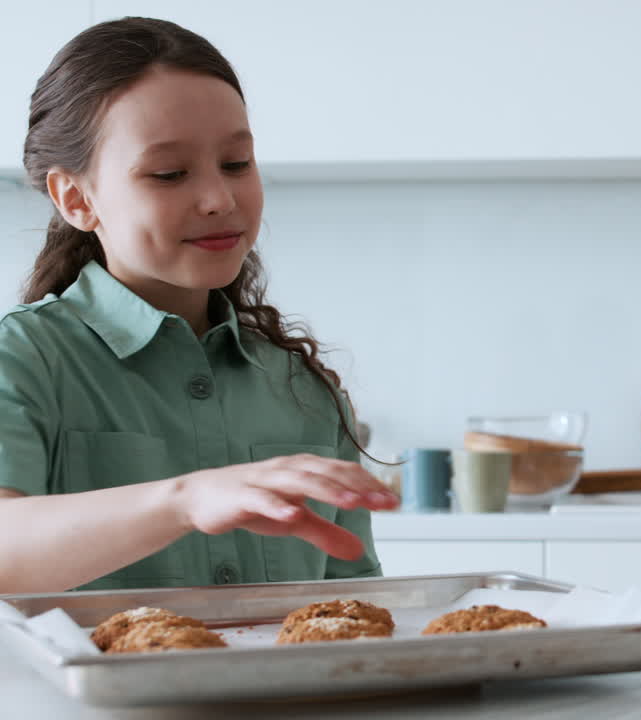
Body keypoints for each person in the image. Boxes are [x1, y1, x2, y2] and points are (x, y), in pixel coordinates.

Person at [0, 17, 398, 594]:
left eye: (237, 163)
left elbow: (352, 612)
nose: (219, 198)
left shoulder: (304, 389)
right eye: (169, 174)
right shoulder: (23, 359)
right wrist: (183, 500)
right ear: (76, 198)